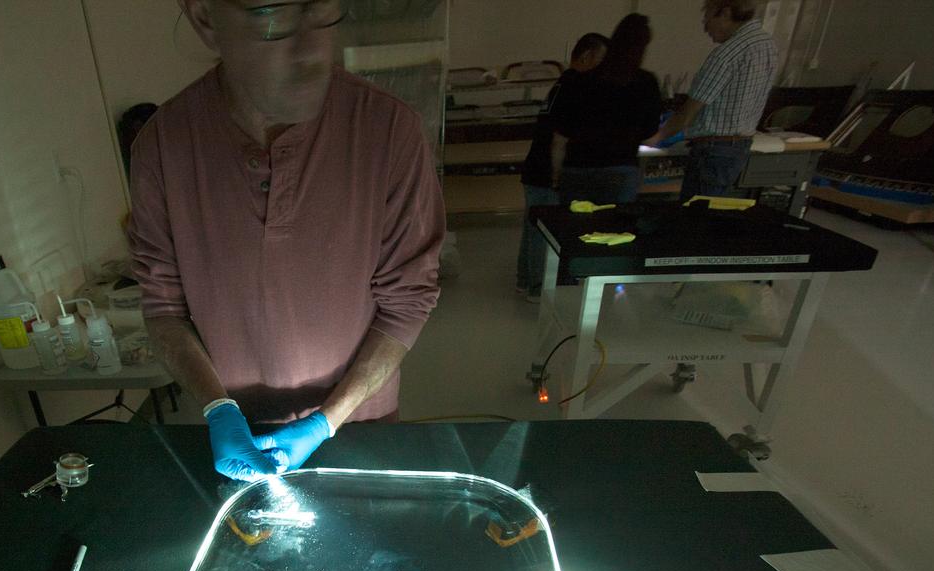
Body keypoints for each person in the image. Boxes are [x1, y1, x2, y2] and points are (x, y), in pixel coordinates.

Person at [129, 0, 445, 482]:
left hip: (361, 420)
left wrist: (325, 421)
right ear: (205, 18)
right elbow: (163, 308)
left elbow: (407, 303)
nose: (311, 51)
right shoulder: (162, 146)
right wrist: (218, 409)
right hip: (238, 426)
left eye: (323, 12)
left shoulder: (388, 130)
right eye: (271, 16)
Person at [645, 0, 778, 199]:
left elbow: (692, 109)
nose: (705, 26)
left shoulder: (728, 53)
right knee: (712, 212)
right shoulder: (767, 45)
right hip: (738, 148)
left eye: (707, 16)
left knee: (696, 214)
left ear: (724, 13)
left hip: (715, 151)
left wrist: (658, 136)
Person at [515, 32, 608, 298]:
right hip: (546, 170)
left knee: (533, 228)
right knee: (543, 232)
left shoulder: (561, 84)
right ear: (587, 56)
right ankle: (537, 287)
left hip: (536, 168)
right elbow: (559, 139)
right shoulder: (575, 86)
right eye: (601, 59)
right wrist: (557, 176)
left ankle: (526, 280)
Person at [548, 14, 662, 207]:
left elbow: (560, 139)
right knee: (614, 231)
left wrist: (556, 176)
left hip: (577, 169)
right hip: (620, 168)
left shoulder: (579, 81)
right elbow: (649, 135)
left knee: (573, 232)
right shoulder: (646, 82)